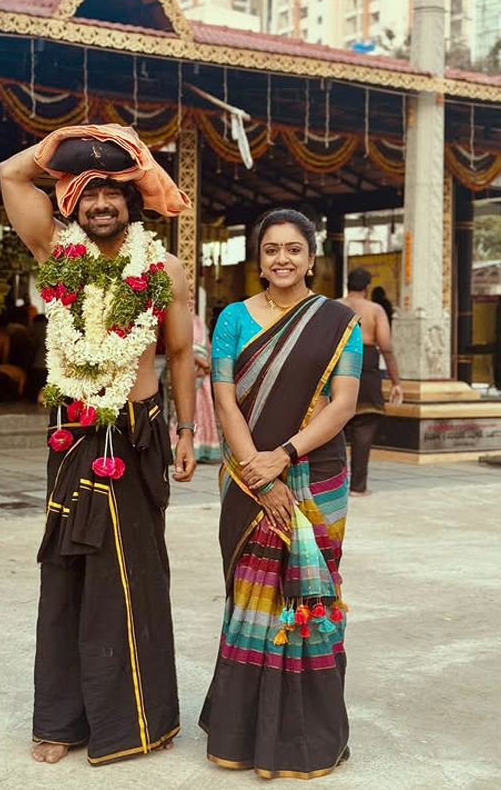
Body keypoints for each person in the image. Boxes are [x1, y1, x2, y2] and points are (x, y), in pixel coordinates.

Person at [0, 126, 196, 768]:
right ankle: (58, 720)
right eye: (90, 192)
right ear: (72, 203)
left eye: (115, 190)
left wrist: (187, 431)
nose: (102, 203)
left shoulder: (163, 268)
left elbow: (177, 354)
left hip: (136, 433)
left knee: (132, 574)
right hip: (74, 432)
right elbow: (10, 174)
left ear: (132, 202)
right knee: (66, 573)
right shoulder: (56, 250)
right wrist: (74, 142)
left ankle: (137, 721)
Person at [200, 208, 362, 779]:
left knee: (311, 601)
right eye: (271, 249)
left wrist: (286, 456)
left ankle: (307, 738)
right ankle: (243, 735)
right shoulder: (231, 320)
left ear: (312, 257)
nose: (283, 259)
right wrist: (257, 471)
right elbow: (225, 400)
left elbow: (343, 403)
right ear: (259, 258)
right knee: (252, 598)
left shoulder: (340, 321)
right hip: (248, 476)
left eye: (294, 249)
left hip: (316, 474)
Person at [338, 268, 403, 497]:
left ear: (347, 285)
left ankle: (328, 484)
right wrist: (396, 381)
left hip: (337, 368)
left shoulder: (333, 306)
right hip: (366, 370)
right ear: (366, 288)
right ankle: (357, 487)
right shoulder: (375, 310)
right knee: (364, 429)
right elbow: (386, 346)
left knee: (330, 426)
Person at [169, 308, 221, 463]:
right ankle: (181, 446)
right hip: (189, 368)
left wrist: (210, 363)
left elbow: (208, 344)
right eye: (188, 295)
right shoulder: (178, 316)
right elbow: (181, 348)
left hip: (203, 371)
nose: (190, 299)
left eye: (192, 295)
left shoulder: (198, 320)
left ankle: (203, 448)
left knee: (204, 407)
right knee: (188, 407)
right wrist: (201, 363)